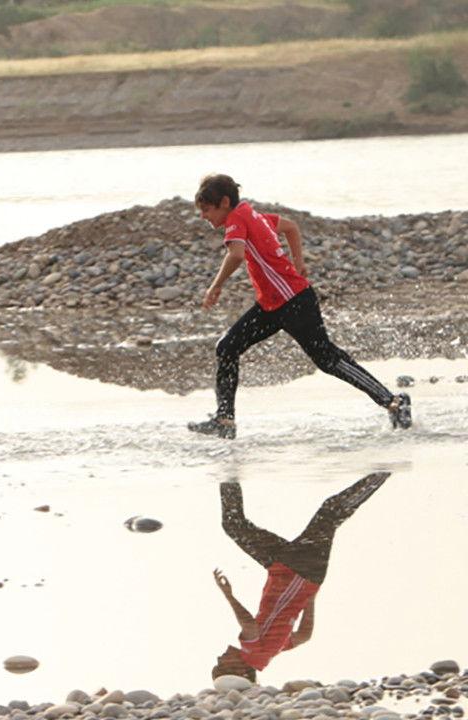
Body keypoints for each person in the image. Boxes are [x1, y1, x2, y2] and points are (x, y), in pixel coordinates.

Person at [188, 174, 411, 439]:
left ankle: (394, 401)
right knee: (227, 347)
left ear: (225, 202)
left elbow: (235, 254)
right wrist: (299, 261)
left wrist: (215, 286)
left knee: (327, 359)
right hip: (272, 305)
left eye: (207, 210)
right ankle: (224, 421)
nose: (203, 216)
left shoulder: (237, 218)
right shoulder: (254, 215)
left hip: (294, 303)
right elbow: (292, 226)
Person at [211, 471, 389, 682]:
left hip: (290, 571)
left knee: (235, 526)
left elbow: (304, 636)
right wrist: (228, 594)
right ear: (239, 669)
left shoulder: (269, 652)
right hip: (295, 570)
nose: (219, 657)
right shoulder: (253, 653)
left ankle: (228, 464)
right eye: (221, 664)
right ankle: (385, 469)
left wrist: (309, 599)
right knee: (330, 513)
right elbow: (249, 625)